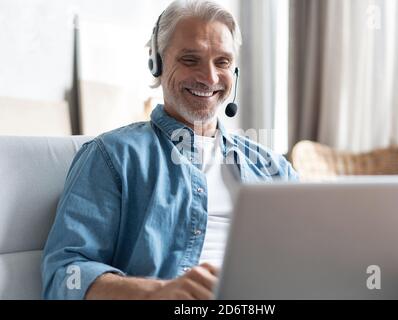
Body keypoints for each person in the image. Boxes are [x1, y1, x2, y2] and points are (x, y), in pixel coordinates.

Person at [41, 0, 298, 300]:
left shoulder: (273, 167)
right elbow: (64, 275)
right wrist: (157, 292)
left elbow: (313, 255)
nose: (211, 78)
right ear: (157, 63)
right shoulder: (112, 156)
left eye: (223, 62)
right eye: (191, 60)